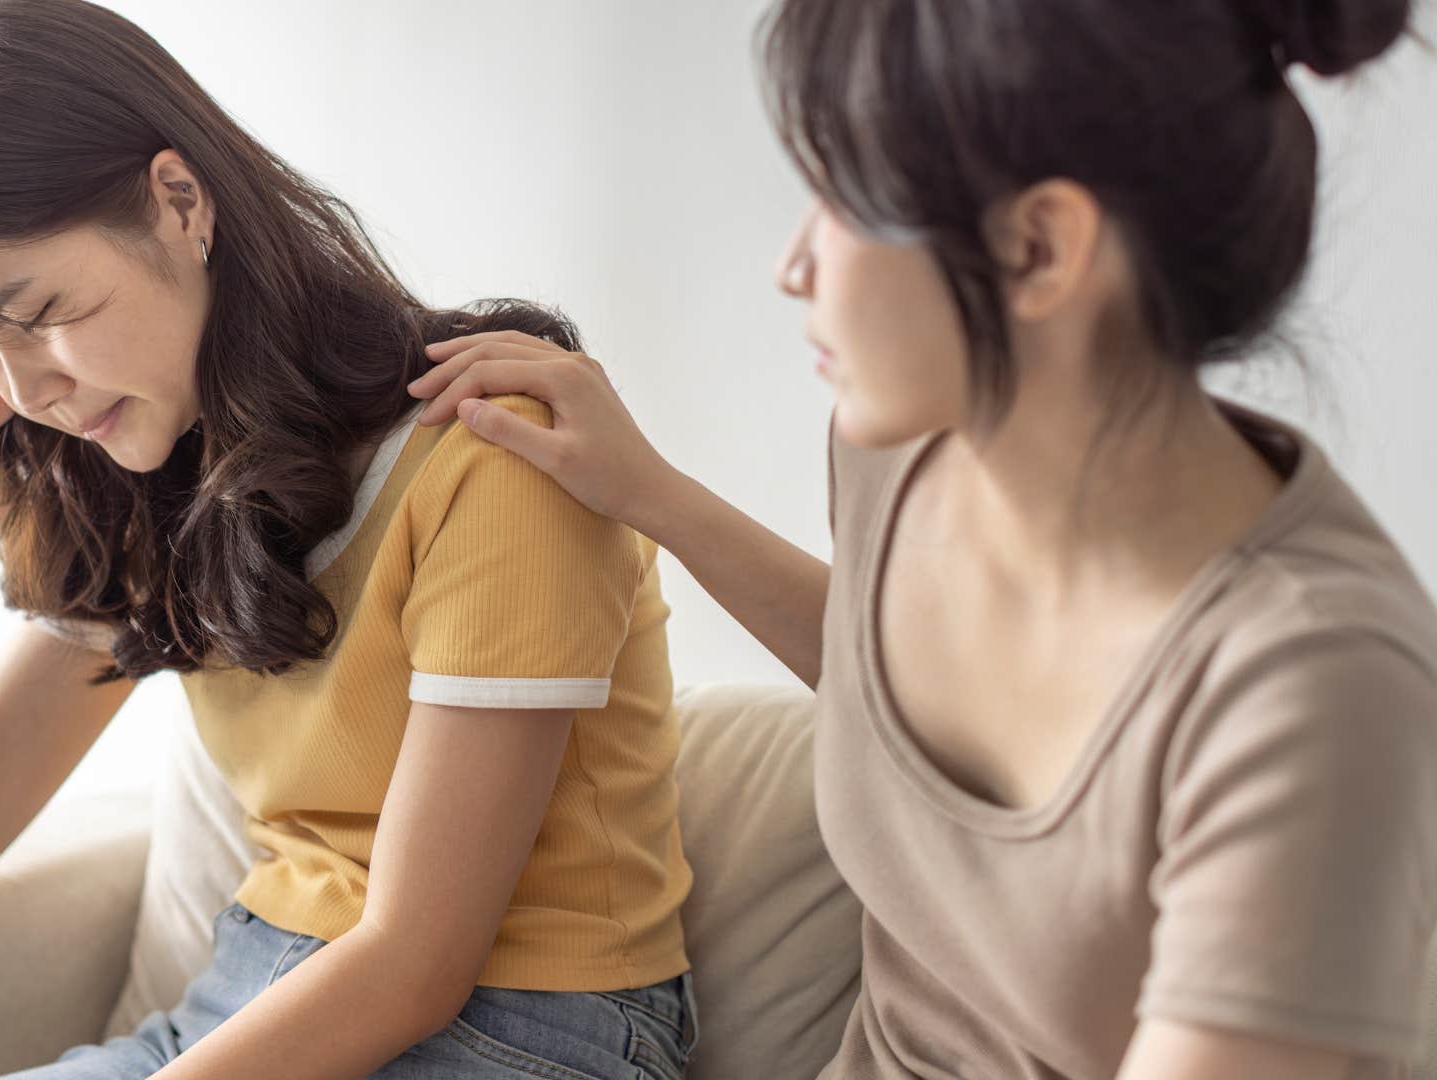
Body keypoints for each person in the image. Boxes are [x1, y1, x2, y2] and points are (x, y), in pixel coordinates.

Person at [408, 0, 1437, 1076]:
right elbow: (894, 685)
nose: (794, 265)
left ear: (1038, 247)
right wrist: (650, 492)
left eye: (844, 199)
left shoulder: (1315, 688)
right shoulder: (906, 455)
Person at [0, 1, 699, 1077]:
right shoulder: (149, 480)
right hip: (256, 1003)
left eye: (44, 314)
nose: (30, 392)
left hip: (527, 1032)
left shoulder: (490, 446)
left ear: (178, 203)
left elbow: (418, 963)